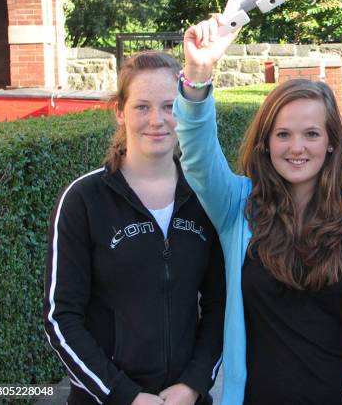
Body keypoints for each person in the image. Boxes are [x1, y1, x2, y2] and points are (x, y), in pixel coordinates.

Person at [172, 16, 342, 405]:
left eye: (311, 134)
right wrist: (198, 72)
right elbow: (198, 155)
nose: (297, 147)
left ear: (330, 143)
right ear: (266, 142)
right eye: (283, 134)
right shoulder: (238, 208)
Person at [44, 51, 226, 405]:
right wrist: (124, 395)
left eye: (170, 106)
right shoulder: (84, 199)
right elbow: (61, 317)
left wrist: (194, 383)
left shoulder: (205, 196)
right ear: (120, 111)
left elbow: (221, 304)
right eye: (142, 106)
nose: (157, 120)